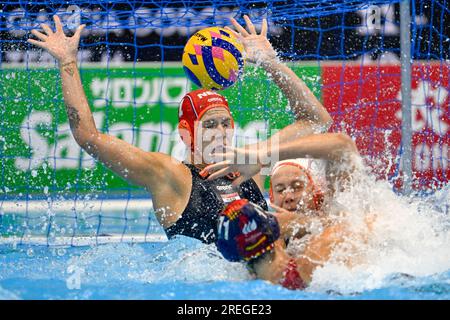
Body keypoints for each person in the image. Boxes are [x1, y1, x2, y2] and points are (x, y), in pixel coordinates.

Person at [27, 15, 333, 244]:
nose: (221, 131)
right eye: (210, 124)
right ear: (186, 134)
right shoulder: (169, 176)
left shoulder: (250, 166)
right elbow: (88, 136)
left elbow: (316, 120)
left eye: (226, 123)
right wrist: (67, 62)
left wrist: (269, 61)